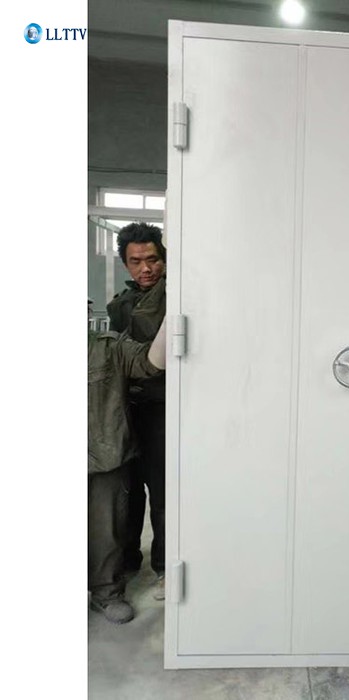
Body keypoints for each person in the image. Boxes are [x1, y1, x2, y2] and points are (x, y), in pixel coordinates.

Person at [88, 308, 166, 623]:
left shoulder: (109, 347)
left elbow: (151, 363)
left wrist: (174, 316)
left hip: (106, 456)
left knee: (107, 531)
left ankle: (106, 594)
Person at [107, 222, 167, 599]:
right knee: (127, 493)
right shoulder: (120, 305)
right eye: (136, 261)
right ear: (125, 264)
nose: (146, 268)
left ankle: (164, 566)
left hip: (163, 409)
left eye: (153, 259)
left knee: (162, 492)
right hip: (125, 410)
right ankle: (127, 560)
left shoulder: (176, 295)